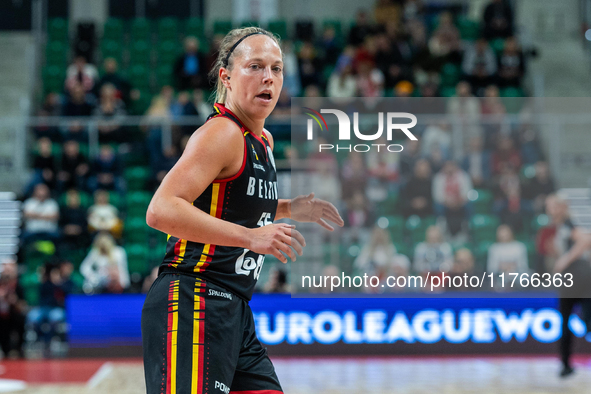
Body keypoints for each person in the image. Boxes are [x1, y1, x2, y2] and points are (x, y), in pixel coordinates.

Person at [142, 27, 343, 394]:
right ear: (227, 76)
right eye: (255, 66)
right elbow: (161, 210)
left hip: (234, 310)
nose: (269, 77)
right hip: (192, 298)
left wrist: (286, 208)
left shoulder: (262, 140)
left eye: (277, 68)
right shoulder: (223, 133)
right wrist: (251, 237)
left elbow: (230, 201)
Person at [545, 194, 591, 378]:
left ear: (562, 207)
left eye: (553, 206)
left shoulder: (567, 223)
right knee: (572, 320)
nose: (549, 210)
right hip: (575, 277)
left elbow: (585, 240)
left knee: (571, 319)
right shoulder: (559, 227)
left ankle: (566, 365)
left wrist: (564, 260)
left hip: (577, 274)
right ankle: (565, 365)